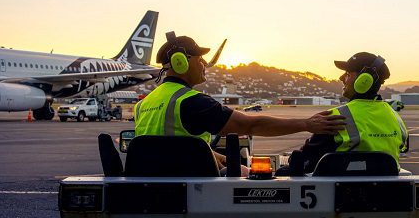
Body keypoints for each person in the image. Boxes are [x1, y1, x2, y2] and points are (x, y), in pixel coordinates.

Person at [133, 32, 346, 175]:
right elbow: (252, 125)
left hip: (151, 184)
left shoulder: (143, 104)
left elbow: (168, 146)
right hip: (192, 186)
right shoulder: (191, 102)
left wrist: (213, 154)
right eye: (200, 59)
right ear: (181, 62)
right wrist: (306, 125)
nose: (205, 64)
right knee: (248, 174)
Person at [275, 52, 409, 175]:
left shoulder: (335, 118)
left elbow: (306, 162)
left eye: (348, 74)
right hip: (387, 193)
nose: (341, 78)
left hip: (341, 195)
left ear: (364, 80)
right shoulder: (395, 118)